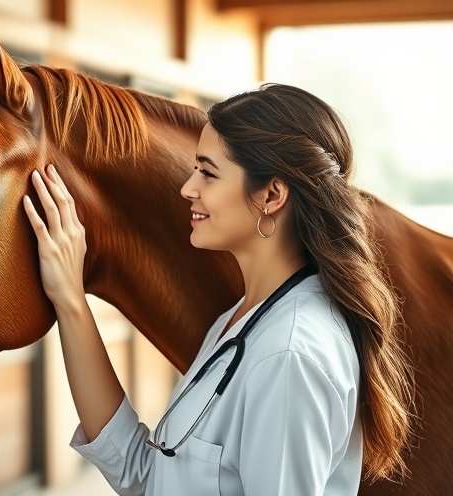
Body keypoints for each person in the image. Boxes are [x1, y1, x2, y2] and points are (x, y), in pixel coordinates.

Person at [23, 83, 413, 495]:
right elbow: (148, 478)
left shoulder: (288, 355)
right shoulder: (239, 321)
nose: (188, 188)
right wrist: (70, 300)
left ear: (271, 194)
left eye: (208, 172)